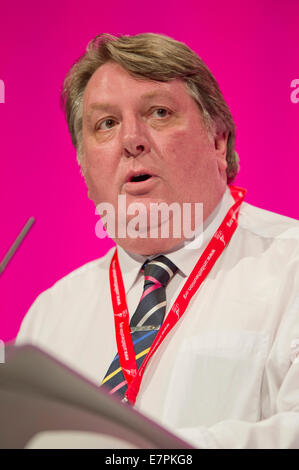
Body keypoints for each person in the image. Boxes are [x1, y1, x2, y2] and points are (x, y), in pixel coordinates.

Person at [16, 33, 299, 449]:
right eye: (106, 124)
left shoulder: (290, 266)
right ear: (82, 165)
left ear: (217, 140)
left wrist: (140, 453)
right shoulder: (51, 314)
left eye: (159, 112)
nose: (132, 139)